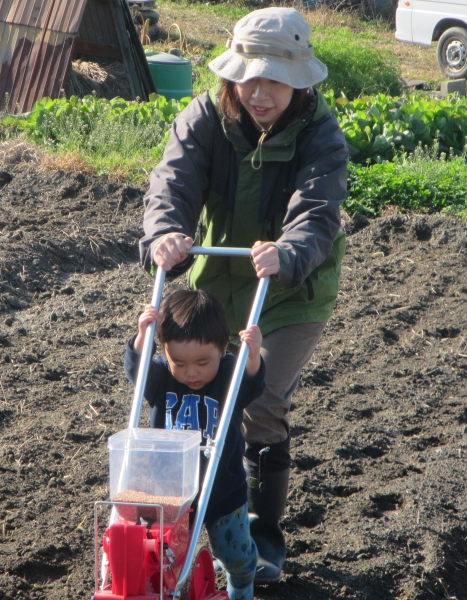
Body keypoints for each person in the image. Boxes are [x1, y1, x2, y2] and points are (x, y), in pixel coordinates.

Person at [138, 7, 348, 584]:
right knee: (185, 390)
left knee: (258, 401)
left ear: (299, 81)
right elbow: (172, 181)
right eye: (249, 78)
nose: (260, 92)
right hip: (218, 278)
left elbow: (317, 209)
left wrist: (289, 252)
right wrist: (164, 236)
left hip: (290, 288)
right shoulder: (205, 115)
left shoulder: (321, 135)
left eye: (275, 80)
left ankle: (261, 538)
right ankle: (172, 523)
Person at [124, 289, 265, 600]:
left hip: (222, 490)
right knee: (165, 562)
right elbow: (137, 372)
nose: (191, 373)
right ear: (164, 352)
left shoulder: (228, 374)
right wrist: (141, 338)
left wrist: (252, 355)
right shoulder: (161, 375)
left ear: (223, 349)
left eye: (203, 362)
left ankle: (241, 588)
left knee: (238, 558)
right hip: (169, 493)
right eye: (180, 362)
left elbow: (251, 385)